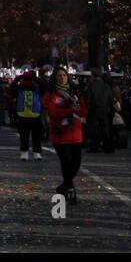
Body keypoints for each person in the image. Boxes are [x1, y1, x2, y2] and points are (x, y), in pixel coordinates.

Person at [43, 68, 87, 204]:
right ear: (55, 78)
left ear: (68, 77)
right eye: (59, 76)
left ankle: (64, 185)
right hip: (60, 133)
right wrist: (69, 109)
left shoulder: (75, 92)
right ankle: (70, 190)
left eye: (64, 75)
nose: (62, 78)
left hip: (75, 132)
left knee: (76, 161)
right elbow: (52, 112)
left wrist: (79, 110)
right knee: (65, 162)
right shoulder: (50, 94)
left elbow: (84, 110)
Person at [15, 69, 44, 160]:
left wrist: (34, 78)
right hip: (23, 115)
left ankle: (37, 152)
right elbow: (11, 88)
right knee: (24, 135)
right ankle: (24, 152)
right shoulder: (19, 88)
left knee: (37, 135)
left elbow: (45, 86)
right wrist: (18, 78)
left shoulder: (37, 88)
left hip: (35, 115)